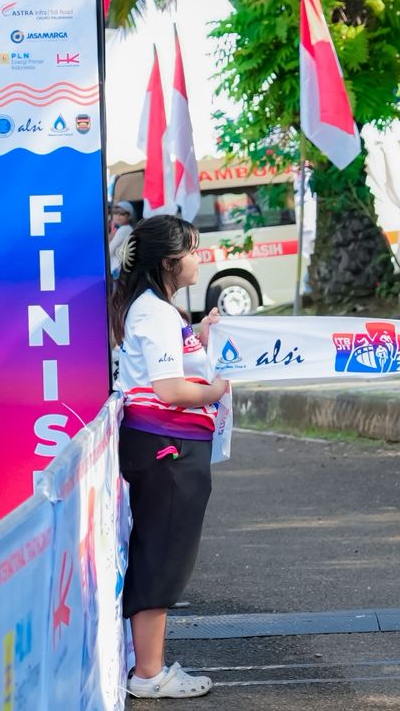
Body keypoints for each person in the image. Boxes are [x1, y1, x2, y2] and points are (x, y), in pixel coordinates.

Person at [111, 214, 227, 700]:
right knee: (163, 555)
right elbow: (170, 388)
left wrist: (200, 332)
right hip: (168, 447)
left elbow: (167, 365)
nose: (199, 258)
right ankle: (149, 674)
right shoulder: (155, 313)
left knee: (159, 551)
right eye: (192, 250)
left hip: (166, 445)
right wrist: (217, 389)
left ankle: (149, 667)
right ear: (167, 262)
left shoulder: (157, 310)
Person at [109, 200, 137, 276]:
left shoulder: (124, 229)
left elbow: (109, 250)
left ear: (129, 216)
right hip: (119, 268)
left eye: (122, 214)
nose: (118, 216)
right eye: (115, 213)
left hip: (116, 269)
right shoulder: (127, 228)